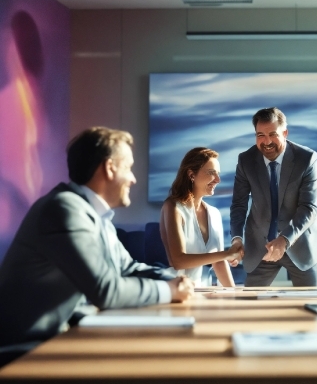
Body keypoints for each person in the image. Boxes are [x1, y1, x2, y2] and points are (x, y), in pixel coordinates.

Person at [0, 127, 193, 364]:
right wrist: (171, 291)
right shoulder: (63, 209)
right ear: (110, 168)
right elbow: (106, 290)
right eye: (128, 168)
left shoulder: (93, 214)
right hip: (25, 354)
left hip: (59, 341)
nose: (133, 178)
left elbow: (128, 268)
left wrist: (175, 280)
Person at [230, 107, 317, 286]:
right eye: (260, 135)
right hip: (260, 247)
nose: (266, 142)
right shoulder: (246, 160)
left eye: (272, 134)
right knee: (248, 308)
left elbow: (308, 208)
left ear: (285, 133)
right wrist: (237, 239)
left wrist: (284, 239)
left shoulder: (307, 159)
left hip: (301, 244)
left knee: (312, 308)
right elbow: (238, 205)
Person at [159, 147, 243, 287]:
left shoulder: (214, 213)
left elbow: (219, 262)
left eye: (218, 174)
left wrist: (233, 295)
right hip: (175, 289)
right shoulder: (173, 207)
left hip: (203, 290)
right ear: (192, 175)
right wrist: (226, 254)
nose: (218, 179)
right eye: (211, 173)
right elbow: (178, 261)